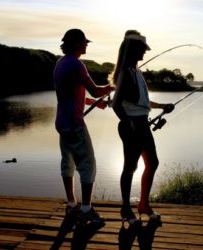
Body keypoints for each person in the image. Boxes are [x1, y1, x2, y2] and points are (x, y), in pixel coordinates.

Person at [111, 30, 174, 224]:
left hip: (142, 124)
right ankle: (125, 209)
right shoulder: (125, 73)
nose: (144, 53)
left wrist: (162, 106)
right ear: (133, 50)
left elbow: (142, 102)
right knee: (130, 167)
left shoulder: (136, 71)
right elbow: (115, 103)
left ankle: (143, 205)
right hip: (132, 126)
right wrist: (128, 122)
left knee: (152, 163)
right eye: (142, 49)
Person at [53, 28, 113, 223]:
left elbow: (71, 94)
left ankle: (71, 204)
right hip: (75, 125)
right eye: (85, 42)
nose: (86, 44)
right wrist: (115, 85)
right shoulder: (78, 65)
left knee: (67, 162)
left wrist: (98, 103)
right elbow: (95, 91)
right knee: (88, 166)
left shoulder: (60, 64)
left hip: (61, 123)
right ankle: (86, 210)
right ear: (78, 43)